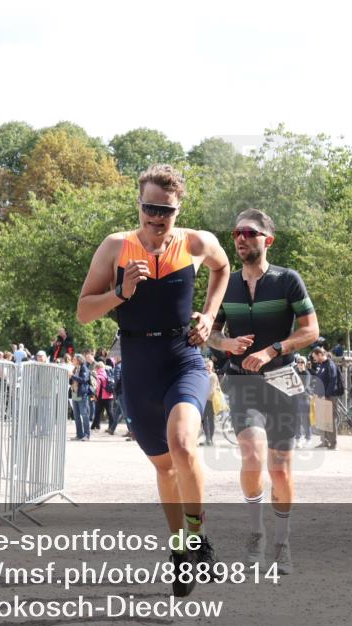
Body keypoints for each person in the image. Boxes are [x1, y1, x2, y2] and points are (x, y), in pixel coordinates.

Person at [76, 164, 230, 597]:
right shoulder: (115, 248)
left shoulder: (198, 243)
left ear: (178, 209)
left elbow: (223, 270)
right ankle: (180, 549)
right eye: (149, 208)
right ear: (138, 204)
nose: (156, 217)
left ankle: (198, 538)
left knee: (183, 444)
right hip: (138, 363)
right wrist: (120, 293)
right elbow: (84, 310)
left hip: (184, 356)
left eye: (166, 210)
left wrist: (210, 315)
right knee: (164, 466)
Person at [208, 208, 319, 573]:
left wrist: (274, 349)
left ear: (266, 240)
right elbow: (211, 331)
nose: (240, 238)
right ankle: (255, 533)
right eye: (237, 233)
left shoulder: (288, 280)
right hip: (242, 381)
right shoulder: (226, 284)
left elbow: (310, 330)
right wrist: (226, 345)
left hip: (282, 380)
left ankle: (282, 544)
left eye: (249, 233)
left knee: (282, 469)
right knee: (252, 456)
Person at [310, 346, 340, 449]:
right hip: (321, 396)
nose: (314, 359)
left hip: (329, 397)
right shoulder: (322, 365)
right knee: (323, 420)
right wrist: (315, 393)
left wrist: (326, 396)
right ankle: (324, 441)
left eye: (315, 357)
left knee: (330, 420)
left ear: (320, 354)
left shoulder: (330, 365)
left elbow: (333, 381)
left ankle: (333, 443)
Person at [70, 354, 92, 441]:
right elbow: (72, 380)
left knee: (84, 415)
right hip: (74, 394)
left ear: (79, 360)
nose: (72, 360)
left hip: (82, 395)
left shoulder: (84, 368)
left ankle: (86, 435)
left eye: (74, 359)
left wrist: (72, 375)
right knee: (76, 416)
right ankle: (79, 435)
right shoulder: (75, 368)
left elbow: (83, 380)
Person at [294, 356, 313, 446]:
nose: (300, 364)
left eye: (302, 362)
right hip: (296, 399)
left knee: (305, 419)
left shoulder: (307, 374)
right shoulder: (295, 373)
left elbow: (304, 387)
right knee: (297, 419)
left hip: (304, 398)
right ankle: (297, 438)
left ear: (305, 364)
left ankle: (308, 438)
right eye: (298, 362)